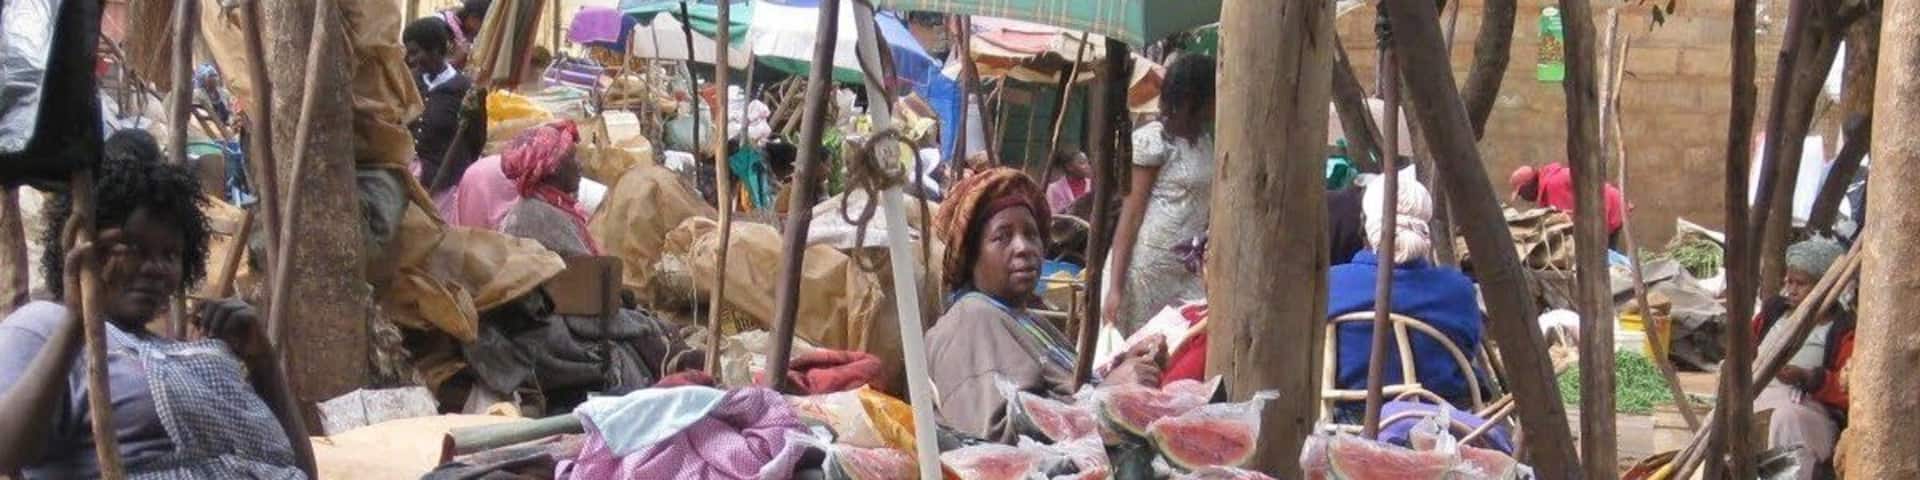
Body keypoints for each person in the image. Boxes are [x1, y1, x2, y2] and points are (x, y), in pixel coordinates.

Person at [0, 130, 312, 478]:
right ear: (87, 249)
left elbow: (293, 469)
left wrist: (262, 360)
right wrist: (78, 321)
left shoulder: (169, 351)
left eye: (170, 254)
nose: (157, 269)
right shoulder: (42, 325)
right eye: (135, 249)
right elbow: (6, 453)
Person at [926, 168, 1162, 442]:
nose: (1023, 247)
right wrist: (1108, 394)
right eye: (1002, 237)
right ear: (971, 256)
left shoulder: (1021, 316)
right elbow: (997, 438)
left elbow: (1061, 388)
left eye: (1031, 234)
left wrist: (1118, 368)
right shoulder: (972, 319)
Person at [1326, 179, 1485, 413]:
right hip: (1443, 426)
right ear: (1425, 226)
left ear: (1363, 225)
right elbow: (1468, 351)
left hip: (1348, 423)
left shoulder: (1331, 283)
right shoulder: (1458, 290)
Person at [1103, 53, 1216, 335]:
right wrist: (1115, 288)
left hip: (1187, 269)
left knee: (1185, 342)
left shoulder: (1204, 141)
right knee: (1142, 349)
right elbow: (1131, 216)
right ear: (1196, 98)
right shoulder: (1153, 140)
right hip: (1147, 272)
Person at [1753, 238, 1853, 480]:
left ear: (1825, 286)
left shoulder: (1843, 329)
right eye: (1788, 281)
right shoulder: (1773, 313)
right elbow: (1744, 350)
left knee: (1787, 417)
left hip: (1811, 412)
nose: (1791, 290)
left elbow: (1849, 391)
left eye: (1801, 283)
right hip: (1758, 396)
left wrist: (1808, 377)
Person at [406, 17, 485, 197]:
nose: (411, 60)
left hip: (445, 186)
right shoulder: (409, 83)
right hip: (409, 180)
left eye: (415, 52)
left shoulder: (466, 91)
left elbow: (476, 140)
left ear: (435, 50)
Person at [498, 120, 601, 257]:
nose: (579, 165)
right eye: (572, 158)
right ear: (553, 168)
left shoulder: (541, 204)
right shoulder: (542, 217)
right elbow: (586, 270)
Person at [1508, 163, 1628, 244]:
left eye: (1521, 193)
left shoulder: (1552, 185)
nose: (1523, 197)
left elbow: (1567, 222)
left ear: (1528, 186)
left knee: (1601, 260)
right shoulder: (1550, 181)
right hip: (1608, 206)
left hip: (1609, 209)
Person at [1045, 149, 1091, 215]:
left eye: (1088, 163)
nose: (1087, 166)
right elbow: (1054, 216)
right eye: (1082, 163)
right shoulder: (1054, 189)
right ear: (1069, 167)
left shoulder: (1093, 185)